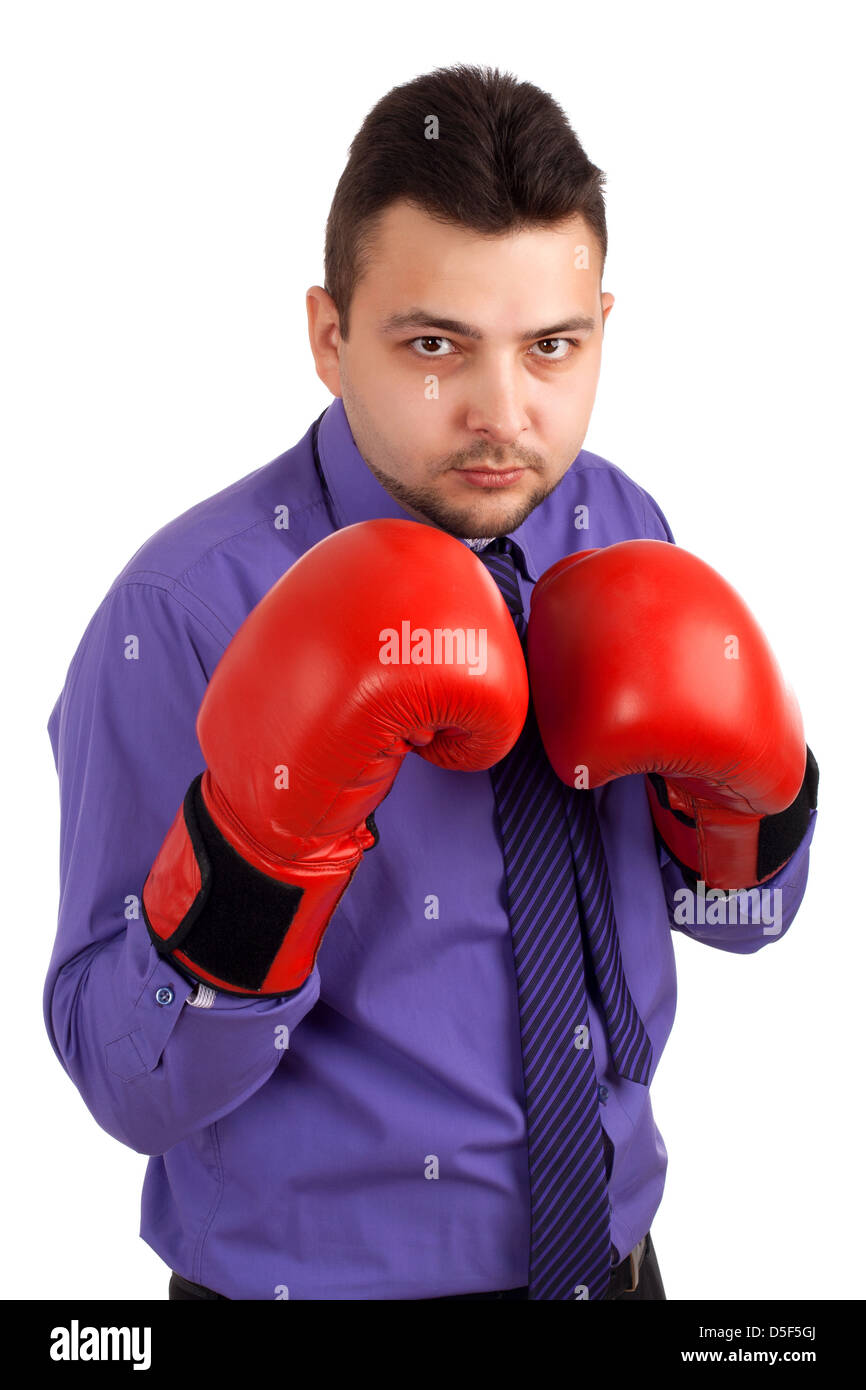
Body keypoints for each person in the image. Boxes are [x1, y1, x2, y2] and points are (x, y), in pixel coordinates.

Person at [44, 63, 818, 1302]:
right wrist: (255, 863)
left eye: (550, 347)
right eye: (433, 346)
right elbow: (124, 1085)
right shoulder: (184, 611)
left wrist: (752, 803)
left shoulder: (618, 524)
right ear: (329, 336)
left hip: (618, 1271)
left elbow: (745, 920)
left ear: (602, 328)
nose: (499, 414)